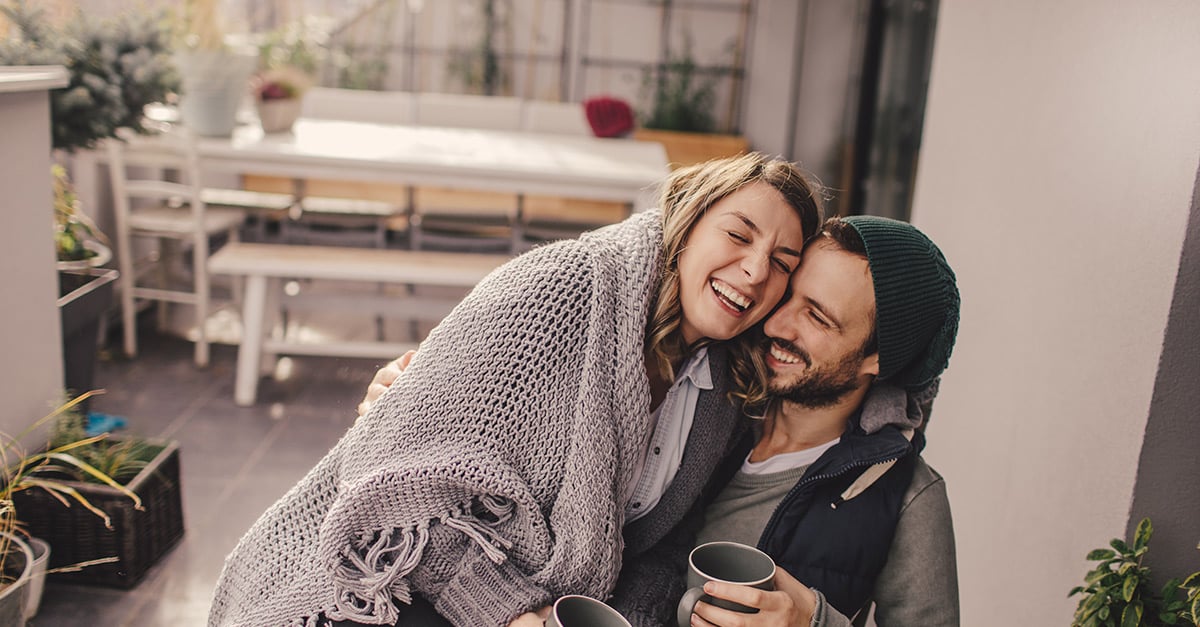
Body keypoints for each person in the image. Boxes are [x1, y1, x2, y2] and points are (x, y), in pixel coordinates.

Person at [208, 153, 824, 627]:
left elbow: (659, 547)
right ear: (687, 225)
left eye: (783, 262)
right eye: (738, 235)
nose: (755, 270)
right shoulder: (566, 288)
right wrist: (506, 612)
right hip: (374, 583)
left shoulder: (725, 395)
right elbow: (391, 479)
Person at [620, 215, 961, 627]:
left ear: (879, 360)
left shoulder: (909, 496)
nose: (775, 324)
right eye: (788, 295)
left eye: (817, 317)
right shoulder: (700, 389)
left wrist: (812, 621)